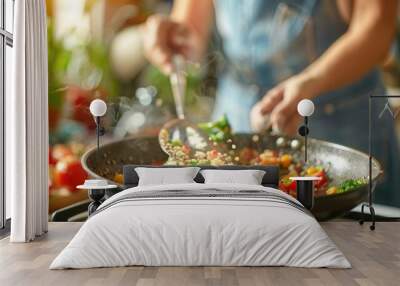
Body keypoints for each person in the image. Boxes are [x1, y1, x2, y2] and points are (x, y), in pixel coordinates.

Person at [144, 0, 400, 207]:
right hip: (236, 113)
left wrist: (310, 82)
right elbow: (191, 25)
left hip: (338, 125)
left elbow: (376, 28)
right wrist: (174, 37)